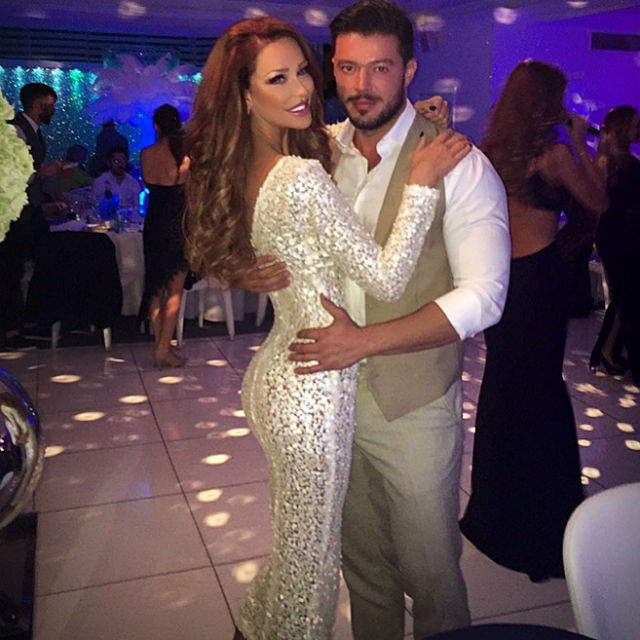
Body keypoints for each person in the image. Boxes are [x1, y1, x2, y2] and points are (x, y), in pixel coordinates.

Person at [184, 16, 471, 640]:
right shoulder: (298, 175)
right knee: (309, 575)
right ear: (244, 95)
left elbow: (334, 135)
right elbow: (386, 278)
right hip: (313, 390)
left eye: (303, 73)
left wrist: (416, 116)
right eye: (277, 79)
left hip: (280, 373)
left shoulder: (256, 161)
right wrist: (421, 183)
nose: (302, 91)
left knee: (297, 554)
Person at [243, 2, 510, 637]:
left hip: (411, 399)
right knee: (362, 568)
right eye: (347, 68)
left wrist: (364, 342)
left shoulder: (455, 162)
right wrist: (247, 267)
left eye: (381, 68)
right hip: (322, 398)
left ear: (409, 70)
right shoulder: (316, 148)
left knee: (432, 572)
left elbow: (485, 296)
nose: (362, 85)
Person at [455, 60, 608, 583]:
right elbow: (599, 201)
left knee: (503, 389)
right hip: (540, 280)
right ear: (547, 100)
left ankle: (495, 515)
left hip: (501, 278)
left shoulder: (492, 153)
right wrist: (582, 142)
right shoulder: (556, 154)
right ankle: (542, 525)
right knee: (542, 396)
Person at [1, 82, 65, 349]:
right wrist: (41, 173)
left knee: (46, 260)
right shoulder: (16, 130)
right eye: (51, 105)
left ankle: (33, 320)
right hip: (16, 214)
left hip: (30, 211)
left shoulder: (33, 131)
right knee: (11, 270)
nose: (54, 110)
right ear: (39, 105)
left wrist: (43, 203)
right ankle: (12, 331)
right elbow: (11, 173)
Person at [590, 105, 640, 383]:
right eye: (635, 125)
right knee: (626, 294)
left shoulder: (605, 162)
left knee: (624, 293)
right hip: (623, 234)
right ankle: (610, 351)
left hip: (613, 233)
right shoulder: (624, 164)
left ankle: (609, 350)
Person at [139, 104, 190, 368]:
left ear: (156, 126)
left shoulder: (146, 154)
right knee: (175, 290)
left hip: (153, 224)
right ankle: (163, 349)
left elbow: (147, 185)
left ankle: (160, 346)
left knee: (155, 287)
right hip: (177, 225)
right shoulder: (185, 156)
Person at [91, 147, 141, 214]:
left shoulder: (133, 182)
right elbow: (94, 206)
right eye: (116, 161)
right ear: (108, 163)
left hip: (129, 219)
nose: (121, 165)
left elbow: (137, 207)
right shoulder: (100, 182)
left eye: (123, 161)